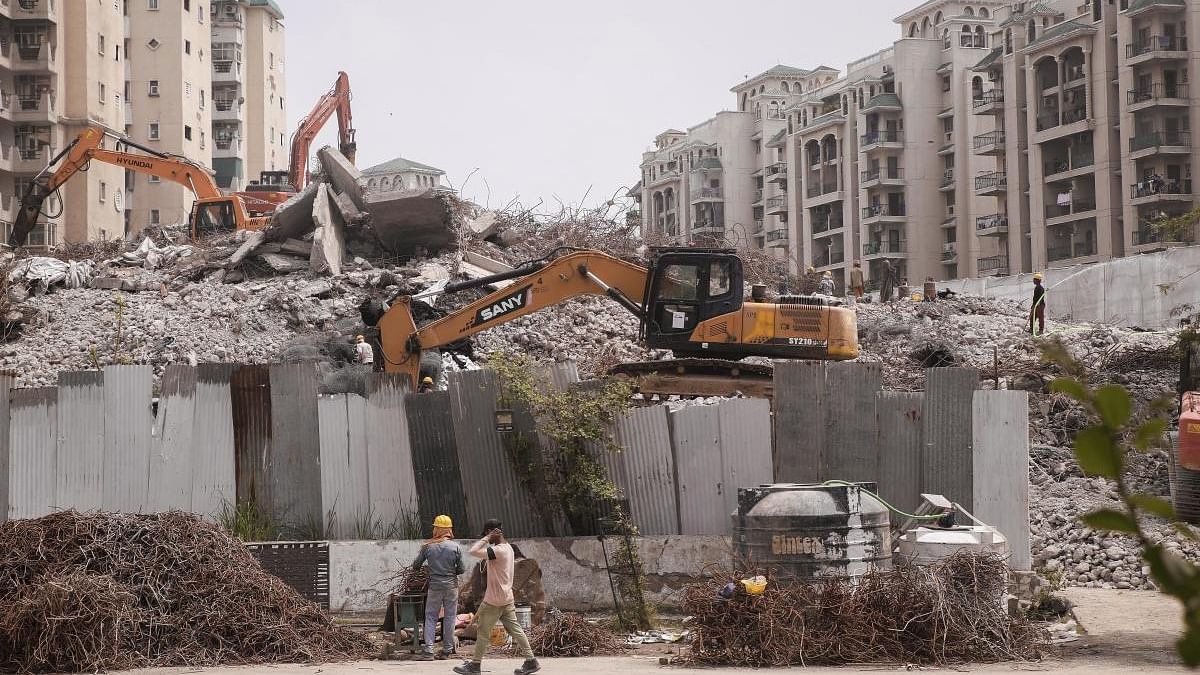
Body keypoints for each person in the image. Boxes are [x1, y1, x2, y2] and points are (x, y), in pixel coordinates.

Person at [454, 520, 539, 675]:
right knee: (516, 629)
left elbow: (473, 551)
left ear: (493, 532)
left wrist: (487, 538)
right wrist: (489, 537)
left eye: (487, 533)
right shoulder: (509, 548)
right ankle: (531, 661)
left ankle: (475, 665)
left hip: (494, 600)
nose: (486, 537)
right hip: (506, 598)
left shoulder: (498, 550)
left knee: (483, 632)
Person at [411, 515, 465, 660]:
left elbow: (416, 566)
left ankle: (428, 650)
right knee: (450, 617)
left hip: (434, 586)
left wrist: (431, 568)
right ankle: (446, 650)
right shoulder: (456, 547)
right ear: (449, 530)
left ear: (437, 529)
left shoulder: (428, 546)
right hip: (451, 586)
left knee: (430, 617)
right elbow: (461, 569)